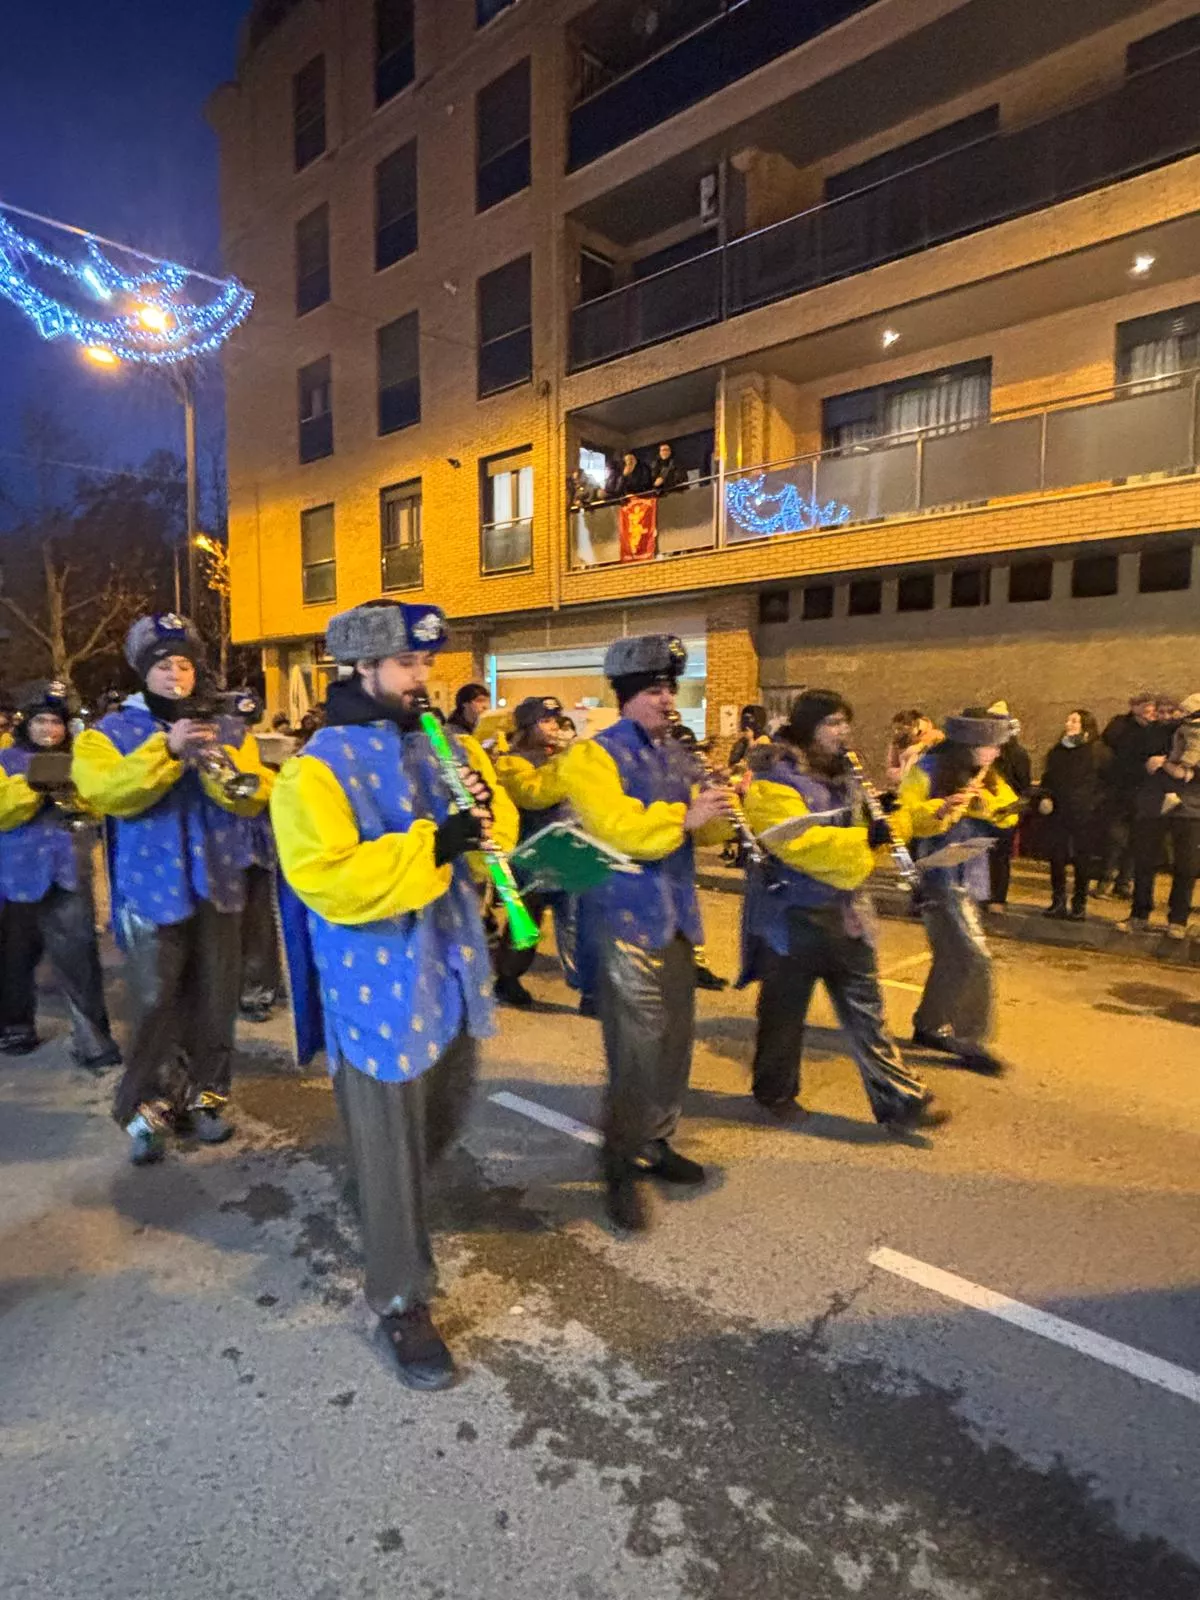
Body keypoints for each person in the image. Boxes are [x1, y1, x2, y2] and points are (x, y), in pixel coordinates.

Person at [271, 600, 500, 1389]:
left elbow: (464, 839)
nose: (422, 680)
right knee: (393, 1149)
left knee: (436, 1122)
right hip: (377, 988)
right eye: (408, 665)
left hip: (445, 969)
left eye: (427, 666)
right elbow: (326, 880)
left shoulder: (430, 746)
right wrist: (435, 842)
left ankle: (383, 1198)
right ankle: (400, 1297)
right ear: (361, 669)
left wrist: (477, 820)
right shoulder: (313, 769)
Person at [73, 613, 271, 1164]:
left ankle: (207, 1100)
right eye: (163, 665)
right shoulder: (107, 734)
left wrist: (219, 765)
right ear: (143, 672)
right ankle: (146, 1111)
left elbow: (252, 795)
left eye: (184, 664)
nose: (175, 674)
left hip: (218, 885)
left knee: (215, 1002)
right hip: (149, 892)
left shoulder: (228, 727)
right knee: (156, 1003)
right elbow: (107, 793)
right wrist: (168, 751)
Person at [557, 635, 732, 1232]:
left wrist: (724, 810)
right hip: (623, 919)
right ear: (629, 695)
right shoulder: (593, 757)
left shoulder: (677, 755)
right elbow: (614, 828)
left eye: (670, 688)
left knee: (674, 1042)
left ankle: (654, 1141)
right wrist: (685, 816)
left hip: (677, 916)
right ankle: (617, 1164)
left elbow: (699, 839)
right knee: (634, 1051)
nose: (667, 699)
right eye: (656, 689)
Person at [740, 691, 944, 1133]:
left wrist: (897, 818)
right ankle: (774, 1091)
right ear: (808, 727)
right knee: (784, 1013)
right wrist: (864, 841)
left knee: (866, 1011)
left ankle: (901, 1100)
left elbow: (872, 831)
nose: (843, 732)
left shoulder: (847, 775)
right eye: (833, 723)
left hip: (846, 911)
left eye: (845, 722)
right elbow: (797, 845)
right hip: (792, 915)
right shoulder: (773, 780)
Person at [0, 680, 121, 1068]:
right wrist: (36, 787)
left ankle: (93, 1039)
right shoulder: (6, 760)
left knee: (79, 956)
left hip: (67, 870)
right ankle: (15, 1023)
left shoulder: (79, 759)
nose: (49, 731)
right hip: (16, 876)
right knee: (15, 955)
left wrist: (76, 798)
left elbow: (98, 805)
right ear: (26, 724)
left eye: (56, 723)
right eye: (41, 722)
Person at [896, 707, 1020, 1076]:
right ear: (970, 744)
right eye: (991, 746)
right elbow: (903, 818)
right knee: (975, 956)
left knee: (951, 955)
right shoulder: (926, 771)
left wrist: (984, 806)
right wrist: (942, 809)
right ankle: (972, 1039)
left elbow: (1009, 813)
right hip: (937, 874)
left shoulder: (988, 776)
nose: (996, 753)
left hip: (970, 872)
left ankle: (929, 1024)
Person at [492, 694, 578, 1008]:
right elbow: (535, 794)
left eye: (556, 719)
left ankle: (586, 985)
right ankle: (507, 978)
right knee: (525, 920)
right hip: (530, 852)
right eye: (545, 720)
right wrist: (566, 762)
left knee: (575, 919)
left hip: (566, 847)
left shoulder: (559, 755)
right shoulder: (511, 761)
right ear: (529, 725)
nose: (553, 726)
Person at [1119, 692, 1199, 940]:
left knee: (1186, 865)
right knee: (1145, 860)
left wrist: (1180, 771)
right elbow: (1126, 764)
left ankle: (1178, 919)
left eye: (1172, 712)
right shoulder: (1149, 734)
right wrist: (1147, 765)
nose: (1168, 717)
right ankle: (1140, 914)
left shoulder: (1193, 735)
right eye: (1162, 712)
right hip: (1152, 804)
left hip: (1190, 808)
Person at [227, 688, 281, 1022]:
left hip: (255, 845)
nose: (240, 729)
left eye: (246, 723)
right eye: (234, 720)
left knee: (258, 921)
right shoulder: (210, 747)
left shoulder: (264, 747)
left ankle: (257, 989)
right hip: (221, 847)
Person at [1036, 711, 1107, 921]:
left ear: (1086, 725)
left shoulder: (1098, 751)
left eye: (1074, 721)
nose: (1069, 724)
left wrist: (1093, 804)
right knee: (1057, 857)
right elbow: (1048, 778)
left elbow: (1107, 783)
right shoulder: (1058, 751)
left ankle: (1079, 902)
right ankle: (1058, 901)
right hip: (1058, 810)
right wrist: (1046, 796)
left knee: (1082, 858)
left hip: (1085, 813)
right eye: (1068, 720)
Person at [1096, 692, 1160, 898]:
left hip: (1143, 791)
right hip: (1119, 789)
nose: (1149, 710)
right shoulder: (1120, 725)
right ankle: (1105, 879)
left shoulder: (1156, 729)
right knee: (1115, 837)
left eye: (1152, 707)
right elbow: (1108, 750)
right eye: (1145, 706)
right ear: (1134, 707)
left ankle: (1124, 882)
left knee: (1136, 839)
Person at [984, 701, 1030, 912]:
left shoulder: (1017, 754)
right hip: (982, 810)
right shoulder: (982, 750)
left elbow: (1023, 786)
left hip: (1005, 812)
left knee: (1000, 856)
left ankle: (997, 898)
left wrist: (1013, 807)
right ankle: (983, 893)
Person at [885, 711, 942, 789]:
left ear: (914, 725)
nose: (896, 732)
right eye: (895, 729)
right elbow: (890, 769)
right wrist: (902, 774)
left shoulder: (936, 739)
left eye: (900, 729)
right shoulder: (897, 742)